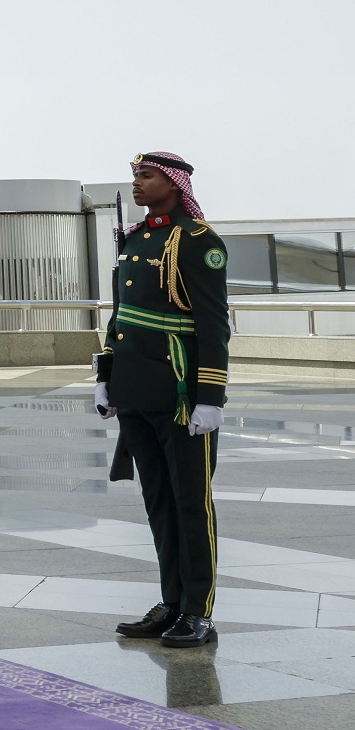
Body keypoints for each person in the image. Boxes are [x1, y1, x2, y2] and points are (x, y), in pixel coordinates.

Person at [100, 152, 230, 649]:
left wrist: (210, 397)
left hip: (180, 395)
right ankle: (172, 602)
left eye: (146, 176)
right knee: (158, 503)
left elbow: (215, 324)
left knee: (190, 504)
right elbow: (121, 316)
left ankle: (198, 610)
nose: (136, 183)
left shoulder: (198, 242)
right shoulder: (136, 239)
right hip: (137, 392)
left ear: (175, 185)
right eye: (135, 175)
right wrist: (106, 378)